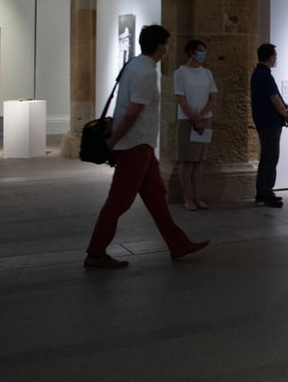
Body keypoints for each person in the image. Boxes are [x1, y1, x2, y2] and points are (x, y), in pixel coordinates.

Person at [84, 24, 209, 268]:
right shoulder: (147, 73)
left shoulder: (134, 65)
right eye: (167, 44)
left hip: (142, 145)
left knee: (156, 197)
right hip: (135, 145)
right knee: (118, 201)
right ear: (160, 46)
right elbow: (132, 114)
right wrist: (113, 141)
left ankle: (178, 244)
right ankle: (96, 252)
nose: (168, 49)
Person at [174, 39, 218, 210]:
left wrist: (202, 115)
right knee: (187, 161)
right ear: (191, 52)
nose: (203, 54)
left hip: (205, 119)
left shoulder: (207, 73)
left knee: (199, 161)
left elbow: (213, 96)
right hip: (187, 120)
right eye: (200, 51)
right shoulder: (180, 73)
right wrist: (193, 116)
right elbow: (180, 98)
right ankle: (188, 198)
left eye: (204, 51)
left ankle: (198, 197)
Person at [251, 43, 288, 207]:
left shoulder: (260, 73)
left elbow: (275, 98)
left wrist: (285, 106)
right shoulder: (264, 75)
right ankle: (267, 191)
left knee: (267, 156)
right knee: (271, 156)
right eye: (275, 55)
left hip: (265, 121)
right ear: (270, 57)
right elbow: (274, 99)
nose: (276, 58)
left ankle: (261, 191)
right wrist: (285, 114)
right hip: (269, 122)